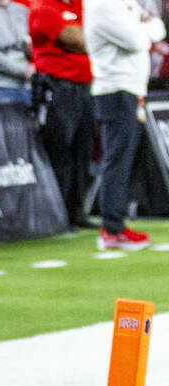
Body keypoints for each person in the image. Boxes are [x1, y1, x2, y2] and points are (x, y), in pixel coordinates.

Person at [83, 0, 164, 250]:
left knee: (124, 158)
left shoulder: (123, 2)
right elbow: (138, 42)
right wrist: (144, 28)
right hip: (116, 90)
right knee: (116, 158)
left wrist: (144, 27)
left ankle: (115, 224)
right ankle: (112, 228)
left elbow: (159, 29)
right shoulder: (101, 5)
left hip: (130, 88)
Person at [29, 0, 96, 230]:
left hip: (85, 86)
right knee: (59, 152)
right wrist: (95, 36)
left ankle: (77, 212)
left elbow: (92, 37)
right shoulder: (44, 7)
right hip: (58, 87)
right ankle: (56, 215)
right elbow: (78, 40)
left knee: (82, 152)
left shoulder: (80, 5)